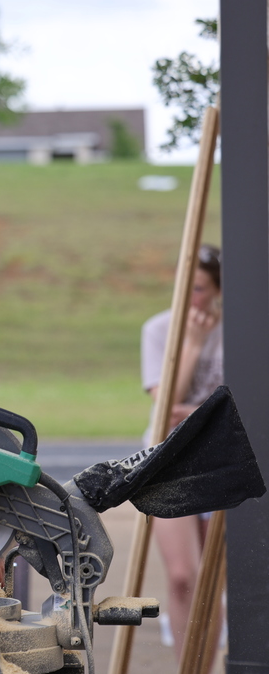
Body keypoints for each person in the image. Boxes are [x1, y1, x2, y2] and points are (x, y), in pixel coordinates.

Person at [140, 243, 223, 663]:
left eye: (201, 289)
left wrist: (197, 413)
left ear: (217, 291)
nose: (191, 298)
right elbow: (164, 406)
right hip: (169, 459)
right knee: (182, 576)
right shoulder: (159, 329)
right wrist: (191, 342)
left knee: (212, 581)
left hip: (221, 459)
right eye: (184, 287)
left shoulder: (238, 330)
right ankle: (187, 668)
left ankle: (205, 665)